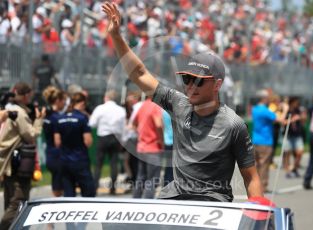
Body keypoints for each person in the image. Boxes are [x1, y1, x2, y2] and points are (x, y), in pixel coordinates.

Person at [101, 2, 263, 201]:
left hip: (212, 203)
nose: (191, 86)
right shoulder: (178, 103)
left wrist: (260, 217)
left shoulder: (234, 124)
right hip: (174, 199)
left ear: (217, 85)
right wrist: (116, 35)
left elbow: (250, 178)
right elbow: (139, 73)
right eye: (187, 79)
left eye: (198, 81)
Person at [0, 82, 45, 229]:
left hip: (7, 162)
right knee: (19, 200)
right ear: (26, 95)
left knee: (10, 198)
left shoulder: (8, 109)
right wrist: (39, 120)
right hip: (16, 163)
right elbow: (31, 135)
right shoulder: (18, 112)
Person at [54, 92, 96, 197]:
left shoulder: (59, 119)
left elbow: (57, 142)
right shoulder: (82, 118)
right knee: (88, 193)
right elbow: (88, 141)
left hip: (64, 160)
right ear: (82, 103)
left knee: (68, 193)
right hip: (80, 159)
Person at [89, 90, 126, 195]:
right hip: (115, 138)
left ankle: (95, 186)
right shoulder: (120, 110)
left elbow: (92, 124)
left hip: (103, 137)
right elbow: (122, 128)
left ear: (106, 98)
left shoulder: (100, 108)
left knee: (98, 163)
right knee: (114, 163)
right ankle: (113, 187)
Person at [252, 89, 287, 193]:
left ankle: (256, 184)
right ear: (264, 98)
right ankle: (262, 186)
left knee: (257, 164)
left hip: (255, 140)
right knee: (264, 165)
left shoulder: (255, 109)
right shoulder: (264, 110)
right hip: (265, 141)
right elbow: (281, 120)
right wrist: (285, 109)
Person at [132, 96, 163, 199]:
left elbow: (134, 123)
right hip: (153, 147)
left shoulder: (143, 105)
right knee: (153, 179)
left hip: (141, 147)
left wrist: (141, 134)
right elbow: (158, 125)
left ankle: (135, 201)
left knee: (141, 177)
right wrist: (161, 140)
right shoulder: (155, 106)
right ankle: (148, 203)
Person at [42, 86, 66, 197]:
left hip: (50, 153)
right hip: (58, 155)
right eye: (63, 101)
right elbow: (58, 141)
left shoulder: (46, 116)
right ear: (57, 101)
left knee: (56, 184)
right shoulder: (57, 118)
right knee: (59, 189)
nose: (65, 104)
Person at [283, 97, 307, 178]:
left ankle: (294, 168)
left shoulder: (298, 110)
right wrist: (293, 120)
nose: (297, 104)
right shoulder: (287, 111)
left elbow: (304, 120)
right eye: (296, 102)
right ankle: (288, 171)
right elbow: (283, 122)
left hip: (297, 134)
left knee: (300, 152)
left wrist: (302, 117)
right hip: (289, 135)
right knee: (287, 153)